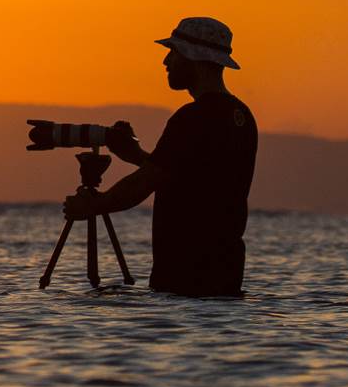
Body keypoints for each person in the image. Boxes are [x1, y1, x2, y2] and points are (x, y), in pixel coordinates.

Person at [62, 17, 259, 296]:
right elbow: (192, 178)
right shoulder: (241, 117)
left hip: (185, 274)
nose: (166, 61)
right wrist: (137, 156)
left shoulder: (193, 118)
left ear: (195, 59)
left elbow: (145, 184)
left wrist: (93, 205)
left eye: (174, 53)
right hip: (225, 272)